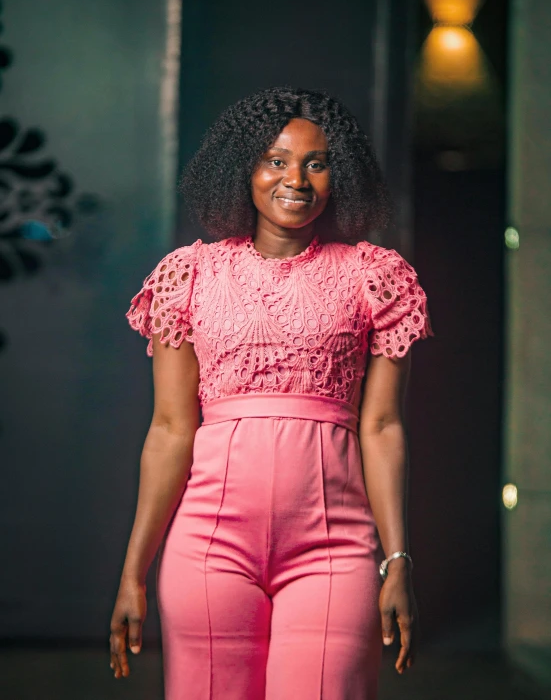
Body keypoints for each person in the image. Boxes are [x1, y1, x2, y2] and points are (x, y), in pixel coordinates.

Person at [109, 86, 433, 699]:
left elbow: (383, 428)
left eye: (316, 162)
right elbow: (170, 430)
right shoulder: (189, 275)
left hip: (334, 549)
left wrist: (397, 562)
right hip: (207, 547)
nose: (296, 179)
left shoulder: (375, 277)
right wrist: (134, 573)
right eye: (276, 160)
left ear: (341, 176)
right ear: (243, 169)